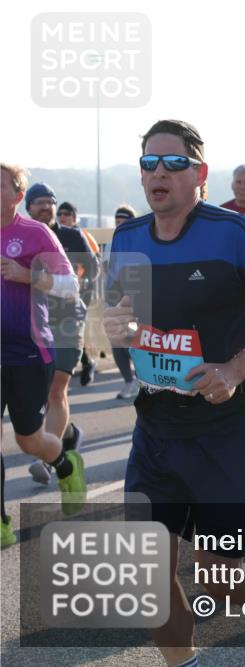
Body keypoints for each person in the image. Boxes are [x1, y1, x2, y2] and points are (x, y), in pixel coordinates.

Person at [103, 120, 245, 667]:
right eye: (149, 163)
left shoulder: (234, 234)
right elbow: (129, 320)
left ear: (199, 172)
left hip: (226, 427)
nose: (159, 173)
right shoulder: (127, 240)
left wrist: (237, 368)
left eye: (173, 163)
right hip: (157, 426)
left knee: (219, 578)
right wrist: (118, 328)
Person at [2, 163, 88, 546]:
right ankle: (1, 523)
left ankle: (66, 464)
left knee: (28, 440)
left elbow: (70, 285)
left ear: (17, 195)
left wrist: (28, 275)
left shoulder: (34, 234)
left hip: (29, 353)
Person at [24, 183, 95, 486]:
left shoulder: (70, 235)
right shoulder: (21, 236)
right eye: (38, 202)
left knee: (56, 388)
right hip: (33, 322)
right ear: (27, 206)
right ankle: (69, 434)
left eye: (49, 202)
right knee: (40, 394)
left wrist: (83, 298)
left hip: (68, 319)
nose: (45, 207)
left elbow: (92, 268)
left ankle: (47, 461)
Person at [56, 201, 102, 387]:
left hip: (81, 291)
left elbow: (95, 264)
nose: (62, 216)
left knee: (74, 328)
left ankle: (86, 363)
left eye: (67, 213)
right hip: (57, 292)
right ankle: (85, 362)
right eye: (60, 213)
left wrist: (83, 284)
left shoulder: (81, 236)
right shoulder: (52, 235)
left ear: (75, 217)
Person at [112, 205, 140, 399]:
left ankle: (142, 379)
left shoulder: (143, 241)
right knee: (118, 342)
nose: (119, 225)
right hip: (118, 303)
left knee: (133, 343)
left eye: (123, 221)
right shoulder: (114, 243)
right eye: (117, 222)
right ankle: (129, 382)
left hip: (140, 303)